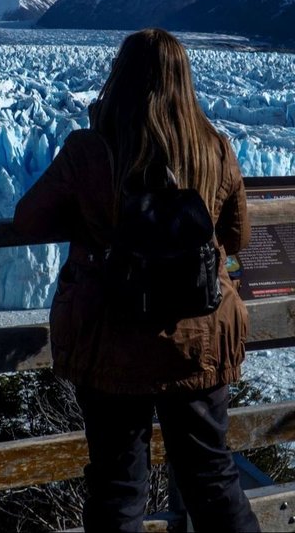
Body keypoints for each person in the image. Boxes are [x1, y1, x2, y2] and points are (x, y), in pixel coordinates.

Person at [13, 28, 260, 533]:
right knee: (212, 476)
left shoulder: (90, 150)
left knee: (118, 485)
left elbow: (29, 220)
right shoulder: (213, 146)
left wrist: (91, 226)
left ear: (119, 78)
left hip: (112, 336)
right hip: (197, 334)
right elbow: (237, 236)